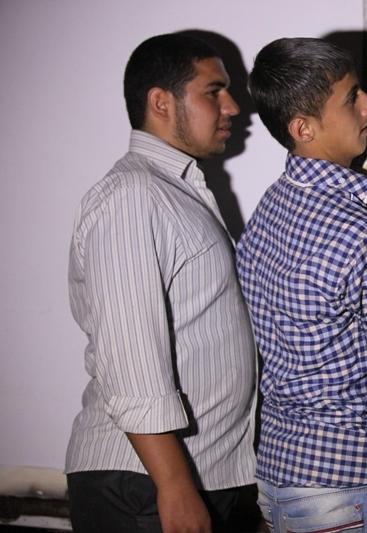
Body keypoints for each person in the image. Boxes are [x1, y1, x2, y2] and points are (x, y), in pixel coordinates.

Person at [237, 37, 367, 532]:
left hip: (280, 474)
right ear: (302, 128)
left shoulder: (268, 208)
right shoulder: (356, 233)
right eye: (352, 98)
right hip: (347, 486)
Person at [65, 33, 257, 533]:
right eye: (213, 91)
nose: (233, 107)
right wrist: (174, 486)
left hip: (196, 476)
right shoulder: (134, 195)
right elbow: (131, 356)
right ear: (161, 102)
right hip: (146, 485)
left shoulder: (178, 191)